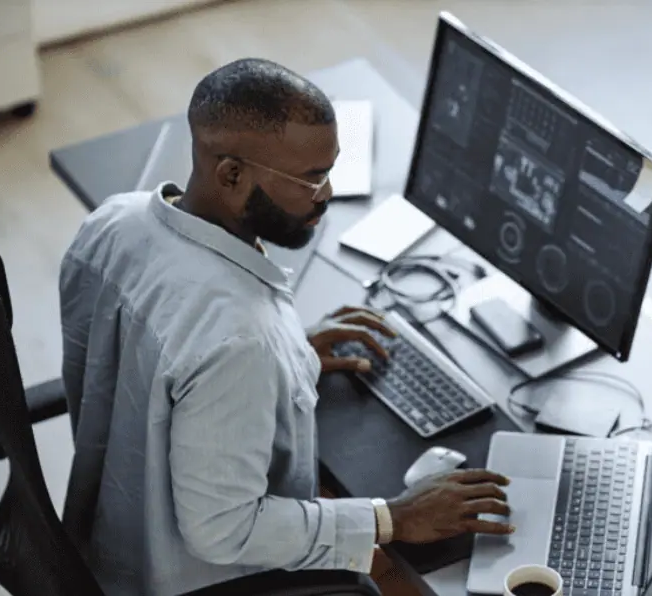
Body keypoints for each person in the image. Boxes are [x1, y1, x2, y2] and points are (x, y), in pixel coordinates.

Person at [58, 58, 513, 596]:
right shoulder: (241, 339)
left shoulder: (114, 221)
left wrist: (292, 359)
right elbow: (223, 531)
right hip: (186, 578)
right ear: (231, 173)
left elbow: (151, 364)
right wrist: (392, 517)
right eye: (311, 179)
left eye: (330, 169)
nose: (326, 195)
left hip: (106, 532)